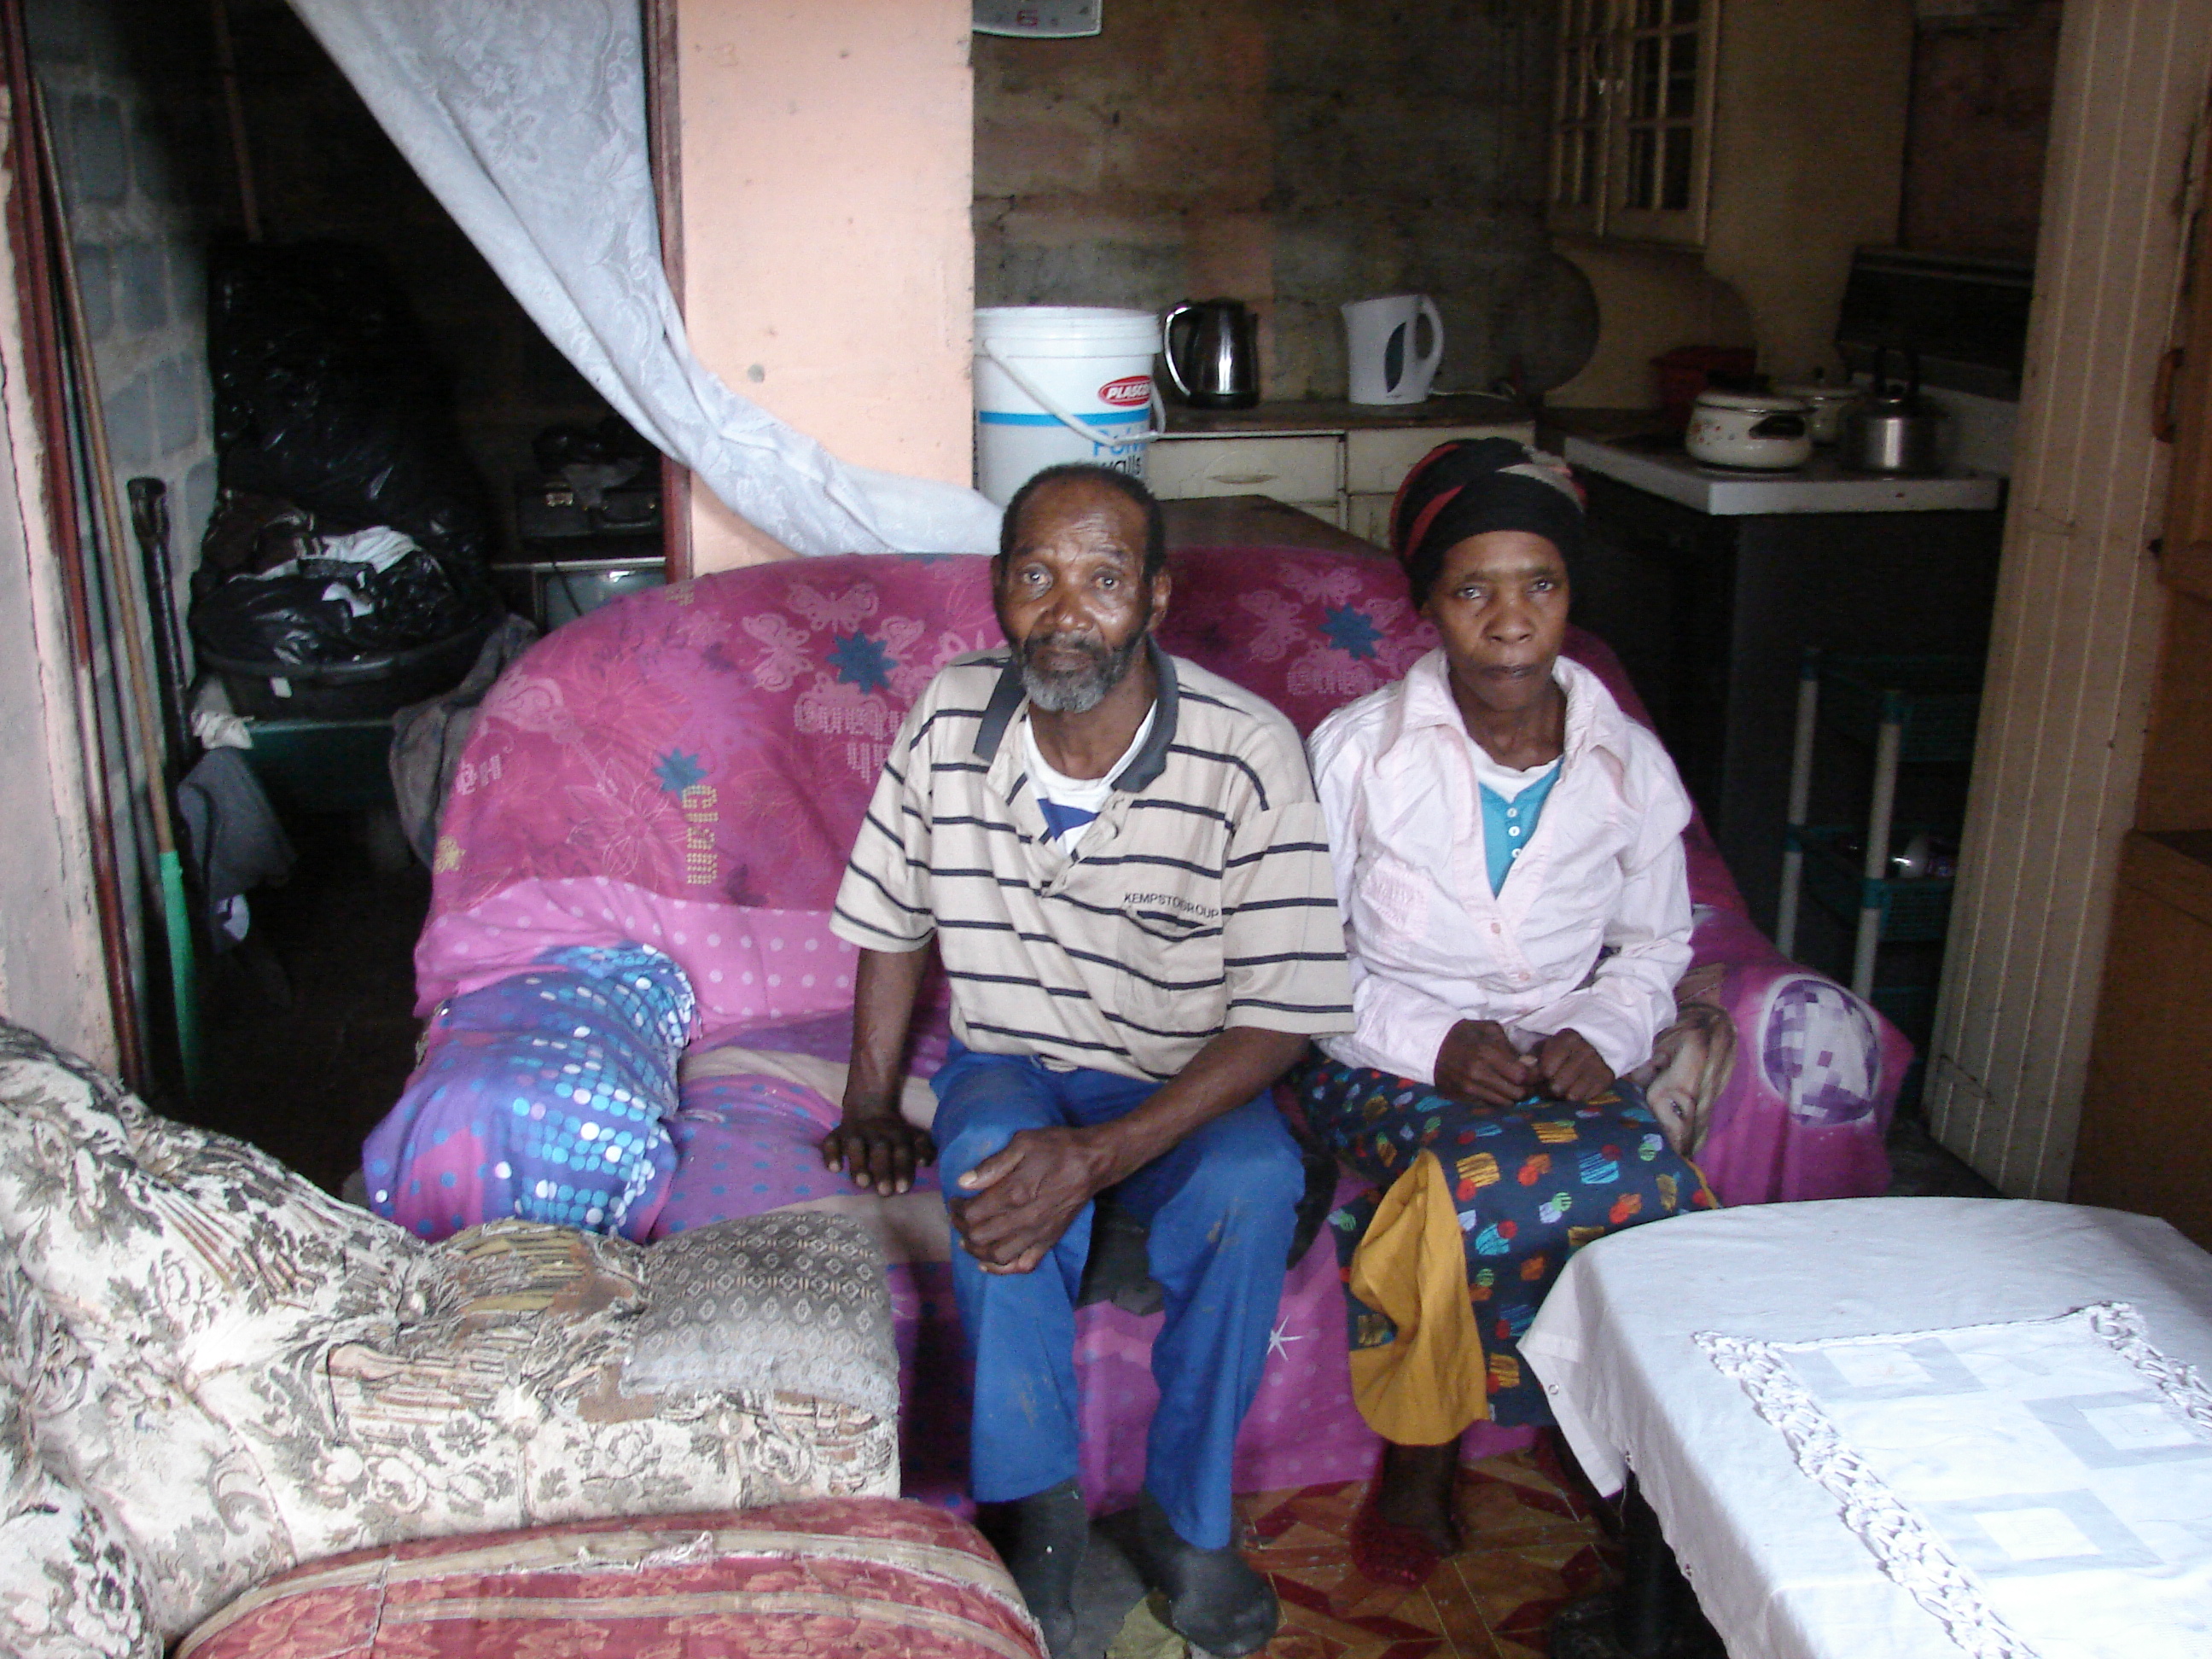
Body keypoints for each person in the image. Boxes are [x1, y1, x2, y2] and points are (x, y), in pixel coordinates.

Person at [822, 462, 1353, 1657]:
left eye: (1105, 579)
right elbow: (894, 916)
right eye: (1037, 577)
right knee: (993, 1166)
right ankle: (1036, 1514)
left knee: (1254, 1182)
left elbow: (1281, 1016)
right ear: (999, 592)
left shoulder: (1246, 750)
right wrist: (868, 1097)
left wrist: (1102, 1155)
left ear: (1157, 599)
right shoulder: (950, 713)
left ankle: (1187, 1519)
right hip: (1015, 1054)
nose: (1068, 612)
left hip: (1185, 1076)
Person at [1296, 437, 1719, 1586]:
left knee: (1652, 1189)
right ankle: (1421, 1464)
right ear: (1430, 605)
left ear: (1571, 598)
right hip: (1375, 1061)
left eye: (1541, 584)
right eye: (1474, 587)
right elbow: (1295, 958)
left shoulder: (1627, 764)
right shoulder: (1357, 759)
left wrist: (1609, 1034)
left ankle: (1637, 1461)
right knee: (1462, 1184)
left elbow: (1655, 944)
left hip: (1566, 1056)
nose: (1511, 616)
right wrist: (1432, 1043)